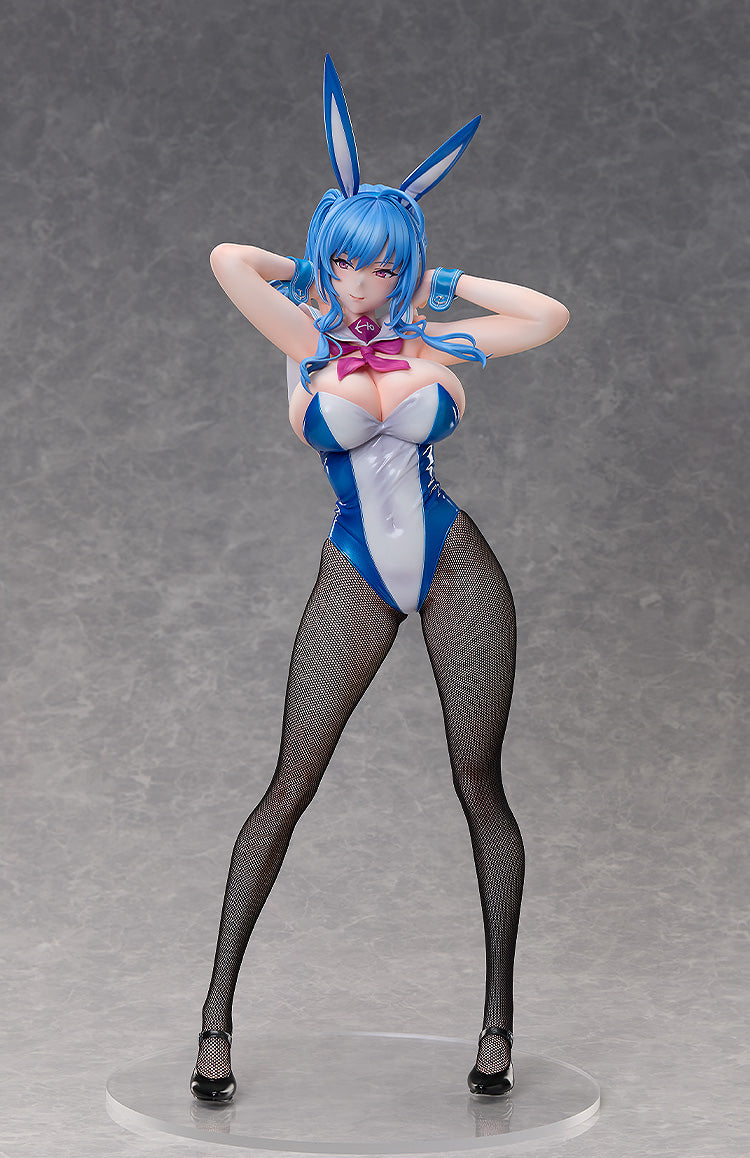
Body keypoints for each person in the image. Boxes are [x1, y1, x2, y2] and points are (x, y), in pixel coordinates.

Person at [190, 56, 568, 1103]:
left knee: (479, 783)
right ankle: (214, 1020)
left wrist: (441, 283)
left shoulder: (431, 337)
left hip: (455, 562)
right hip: (355, 568)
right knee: (289, 786)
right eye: (348, 266)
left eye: (381, 269)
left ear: (406, 273)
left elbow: (546, 315)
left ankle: (497, 1025)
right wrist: (315, 257)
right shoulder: (304, 330)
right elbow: (227, 259)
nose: (362, 286)